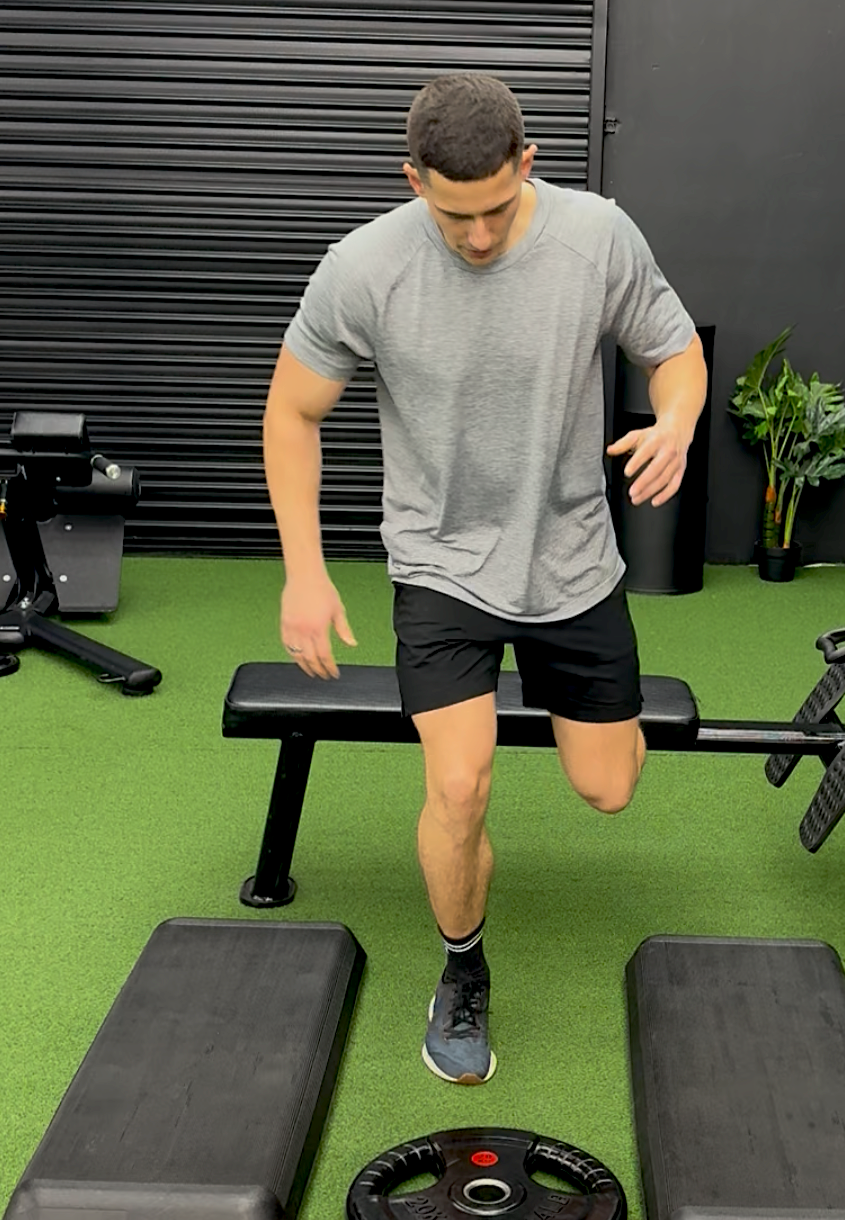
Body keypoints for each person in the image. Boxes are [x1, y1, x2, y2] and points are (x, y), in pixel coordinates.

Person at [262, 72, 706, 1085]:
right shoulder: (363, 266)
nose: (474, 235)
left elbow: (673, 352)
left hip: (570, 557)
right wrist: (302, 570)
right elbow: (292, 412)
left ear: (528, 164)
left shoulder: (597, 237)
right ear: (412, 178)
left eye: (496, 208)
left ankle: (596, 725)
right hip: (441, 560)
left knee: (607, 787)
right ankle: (462, 966)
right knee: (458, 784)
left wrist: (673, 418)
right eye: (450, 212)